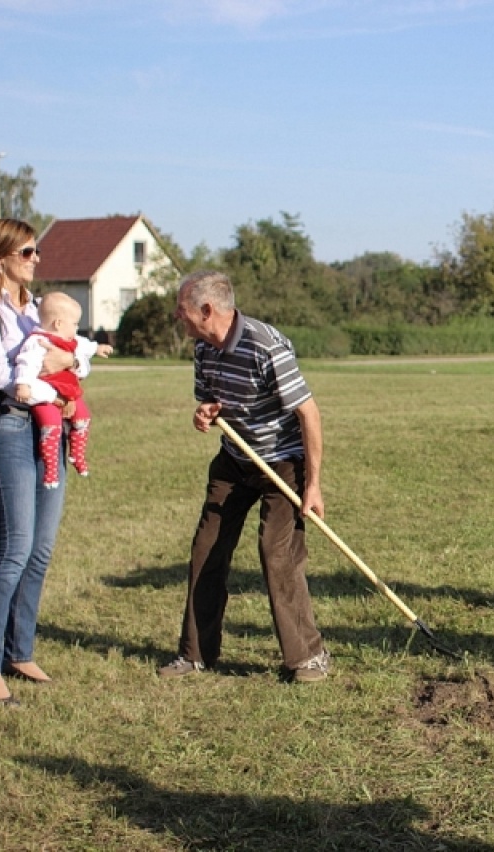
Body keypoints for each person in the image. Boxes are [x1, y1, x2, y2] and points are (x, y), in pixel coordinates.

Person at [158, 270, 331, 683]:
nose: (177, 318)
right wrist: (206, 412)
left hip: (283, 463)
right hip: (236, 459)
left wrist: (312, 485)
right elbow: (211, 400)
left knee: (277, 553)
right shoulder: (203, 347)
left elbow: (308, 413)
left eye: (181, 311)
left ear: (206, 309)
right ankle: (196, 654)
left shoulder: (265, 346)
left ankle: (308, 657)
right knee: (207, 549)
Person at [0, 219, 89, 705]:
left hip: (48, 424)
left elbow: (77, 355)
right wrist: (46, 365)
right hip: (9, 423)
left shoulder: (38, 308)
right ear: (2, 258)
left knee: (41, 547)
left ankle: (20, 650)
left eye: (36, 253)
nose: (36, 260)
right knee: (15, 547)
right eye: (28, 252)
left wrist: (68, 362)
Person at [13, 292, 113, 489]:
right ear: (59, 323)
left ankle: (77, 454)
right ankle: (51, 470)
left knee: (83, 418)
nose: (77, 328)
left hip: (68, 391)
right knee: (51, 427)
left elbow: (83, 345)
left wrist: (96, 348)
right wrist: (23, 383)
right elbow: (25, 362)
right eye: (75, 323)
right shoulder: (38, 342)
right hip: (45, 396)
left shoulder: (70, 339)